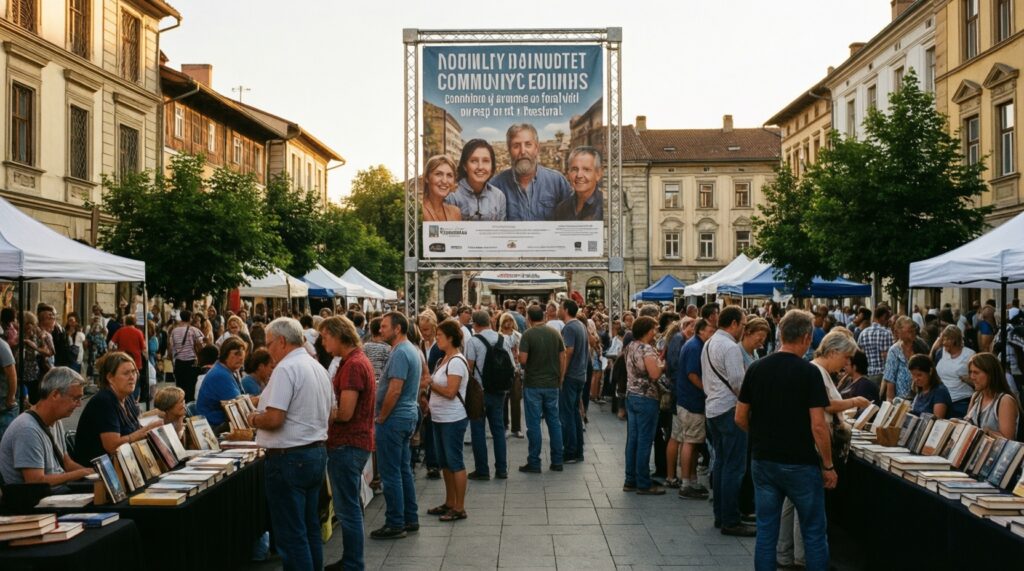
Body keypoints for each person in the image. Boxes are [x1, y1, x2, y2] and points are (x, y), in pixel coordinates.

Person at [736, 309, 835, 571]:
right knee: (813, 531)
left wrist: (759, 435)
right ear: (806, 337)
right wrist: (828, 464)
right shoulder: (809, 372)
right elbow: (819, 425)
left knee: (766, 532)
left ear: (780, 334)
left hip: (764, 459)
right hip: (800, 461)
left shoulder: (757, 368)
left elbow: (740, 416)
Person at [246, 317, 332, 571]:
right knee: (308, 529)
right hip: (314, 453)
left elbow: (274, 418)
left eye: (269, 343)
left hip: (289, 458)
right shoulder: (316, 366)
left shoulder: (286, 369)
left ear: (282, 342)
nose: (268, 350)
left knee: (292, 535)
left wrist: (253, 418)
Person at [319, 316, 376, 571]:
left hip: (348, 443)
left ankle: (353, 563)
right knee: (351, 506)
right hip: (353, 442)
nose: (322, 341)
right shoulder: (352, 361)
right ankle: (352, 559)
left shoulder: (353, 364)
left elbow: (345, 413)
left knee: (347, 508)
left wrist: (321, 411)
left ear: (338, 334)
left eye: (325, 336)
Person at [702, 306, 753, 536]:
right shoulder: (730, 347)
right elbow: (738, 383)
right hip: (729, 410)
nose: (744, 329)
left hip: (713, 408)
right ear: (733, 323)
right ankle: (730, 519)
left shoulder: (710, 342)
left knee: (722, 464)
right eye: (743, 324)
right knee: (734, 467)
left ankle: (721, 515)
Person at [371, 312, 422, 539]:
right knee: (403, 470)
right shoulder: (408, 349)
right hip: (405, 415)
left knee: (391, 473)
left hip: (395, 419)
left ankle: (395, 522)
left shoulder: (401, 352)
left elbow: (395, 389)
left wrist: (382, 417)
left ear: (398, 328)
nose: (380, 330)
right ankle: (409, 518)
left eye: (384, 326)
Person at [0, 367, 93, 488]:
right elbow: (35, 482)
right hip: (38, 502)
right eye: (75, 398)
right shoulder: (27, 429)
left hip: (55, 495)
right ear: (55, 394)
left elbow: (66, 462)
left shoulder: (55, 421)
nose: (79, 404)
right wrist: (80, 473)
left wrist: (93, 475)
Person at [72, 352, 162, 466]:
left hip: (124, 464)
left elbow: (137, 421)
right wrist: (145, 431)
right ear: (110, 377)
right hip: (99, 473)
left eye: (134, 371)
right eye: (126, 373)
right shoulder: (104, 401)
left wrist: (161, 414)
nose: (132, 377)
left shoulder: (126, 395)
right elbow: (113, 446)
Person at [424, 319, 471, 522]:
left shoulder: (457, 361)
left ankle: (459, 506)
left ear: (450, 338)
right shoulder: (443, 359)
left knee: (455, 461)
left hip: (453, 418)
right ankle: (450, 501)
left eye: (440, 336)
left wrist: (430, 384)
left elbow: (451, 392)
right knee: (445, 462)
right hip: (440, 417)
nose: (437, 339)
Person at [491, 123, 573, 221]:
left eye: (528, 144)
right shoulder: (495, 186)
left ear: (536, 148)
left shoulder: (557, 182)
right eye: (516, 146)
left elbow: (570, 223)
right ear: (509, 150)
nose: (523, 151)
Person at [518, 304, 565, 473]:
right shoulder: (555, 333)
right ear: (544, 316)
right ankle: (557, 461)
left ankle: (534, 461)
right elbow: (562, 356)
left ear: (529, 318)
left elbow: (523, 360)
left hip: (533, 384)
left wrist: (519, 355)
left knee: (534, 424)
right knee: (554, 422)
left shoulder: (528, 334)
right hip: (552, 383)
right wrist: (561, 378)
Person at [623, 315, 666, 495]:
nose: (656, 332)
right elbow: (654, 374)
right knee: (644, 440)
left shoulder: (630, 346)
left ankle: (630, 479)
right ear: (648, 331)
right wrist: (663, 365)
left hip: (631, 395)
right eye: (654, 329)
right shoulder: (647, 349)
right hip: (646, 397)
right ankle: (643, 482)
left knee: (633, 439)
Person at [464, 310, 508, 480]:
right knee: (498, 429)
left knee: (478, 430)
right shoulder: (502, 339)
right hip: (499, 390)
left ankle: (482, 470)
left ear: (475, 324)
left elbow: (469, 367)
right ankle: (502, 469)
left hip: (479, 391)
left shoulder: (473, 341)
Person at [673, 318, 713, 499]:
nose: (712, 335)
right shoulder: (695, 347)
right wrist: (707, 390)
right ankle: (686, 483)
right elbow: (692, 374)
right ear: (701, 331)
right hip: (691, 402)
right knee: (690, 441)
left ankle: (692, 479)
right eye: (710, 331)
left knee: (694, 441)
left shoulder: (695, 345)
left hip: (691, 401)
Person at [196, 336, 249, 433]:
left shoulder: (227, 370)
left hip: (220, 424)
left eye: (242, 353)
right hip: (214, 428)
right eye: (237, 354)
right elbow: (239, 406)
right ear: (225, 355)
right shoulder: (220, 374)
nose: (241, 357)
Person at [444, 139, 506, 221]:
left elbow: (501, 231)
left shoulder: (499, 196)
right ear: (465, 166)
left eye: (486, 161)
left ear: (492, 166)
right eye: (474, 161)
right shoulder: (451, 195)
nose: (480, 167)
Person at [965, 352, 1021, 440]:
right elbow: (968, 424)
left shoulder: (1005, 401)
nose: (972, 377)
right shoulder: (976, 397)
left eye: (976, 372)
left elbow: (1008, 439)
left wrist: (987, 432)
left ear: (990, 374)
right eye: (970, 372)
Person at [559, 299, 588, 464]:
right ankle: (578, 450)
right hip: (580, 375)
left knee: (567, 414)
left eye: (560, 308)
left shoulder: (570, 327)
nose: (558, 310)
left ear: (566, 310)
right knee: (575, 412)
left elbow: (568, 352)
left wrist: (562, 375)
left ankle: (570, 451)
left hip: (571, 376)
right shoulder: (580, 325)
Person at [553, 146, 604, 221]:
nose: (579, 175)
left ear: (598, 174)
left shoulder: (607, 207)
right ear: (568, 173)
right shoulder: (561, 209)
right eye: (574, 169)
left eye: (586, 169)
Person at [110, 315, 148, 402]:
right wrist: (146, 359)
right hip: (136, 362)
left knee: (123, 380)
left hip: (121, 360)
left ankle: (125, 400)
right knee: (135, 382)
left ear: (126, 322)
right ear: (135, 322)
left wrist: (114, 352)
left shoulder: (120, 331)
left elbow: (111, 344)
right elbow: (144, 349)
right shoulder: (139, 332)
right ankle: (133, 401)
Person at [169, 310, 204, 402]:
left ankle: (181, 407)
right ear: (190, 318)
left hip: (179, 363)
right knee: (191, 389)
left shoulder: (174, 331)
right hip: (191, 363)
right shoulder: (194, 330)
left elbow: (170, 348)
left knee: (180, 389)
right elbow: (201, 345)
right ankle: (189, 410)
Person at [498, 313, 524, 439]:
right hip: (503, 372)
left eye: (510, 320)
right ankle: (504, 426)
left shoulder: (518, 336)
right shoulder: (498, 337)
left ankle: (516, 428)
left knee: (516, 399)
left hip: (516, 370)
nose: (508, 323)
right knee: (503, 400)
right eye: (505, 320)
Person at [882, 316, 918, 401]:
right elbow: (890, 380)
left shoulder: (919, 346)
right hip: (901, 400)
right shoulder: (894, 351)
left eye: (914, 329)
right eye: (909, 331)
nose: (913, 333)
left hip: (919, 399)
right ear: (898, 332)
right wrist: (890, 402)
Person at [908, 354, 952, 418]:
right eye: (913, 375)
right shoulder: (919, 389)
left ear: (930, 371)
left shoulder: (940, 392)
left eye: (919, 375)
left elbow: (937, 419)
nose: (915, 379)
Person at [857, 306, 893, 383]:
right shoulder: (886, 333)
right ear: (883, 317)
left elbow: (860, 354)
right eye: (887, 318)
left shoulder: (863, 333)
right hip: (882, 375)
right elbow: (887, 357)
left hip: (867, 374)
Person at [421, 154, 461, 222]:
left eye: (449, 175)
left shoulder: (455, 213)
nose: (444, 181)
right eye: (438, 174)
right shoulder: (418, 211)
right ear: (427, 178)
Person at [0, 335, 17, 442]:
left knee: (4, 441)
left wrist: (10, 398)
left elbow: (12, 374)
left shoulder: (1, 345)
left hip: (3, 403)